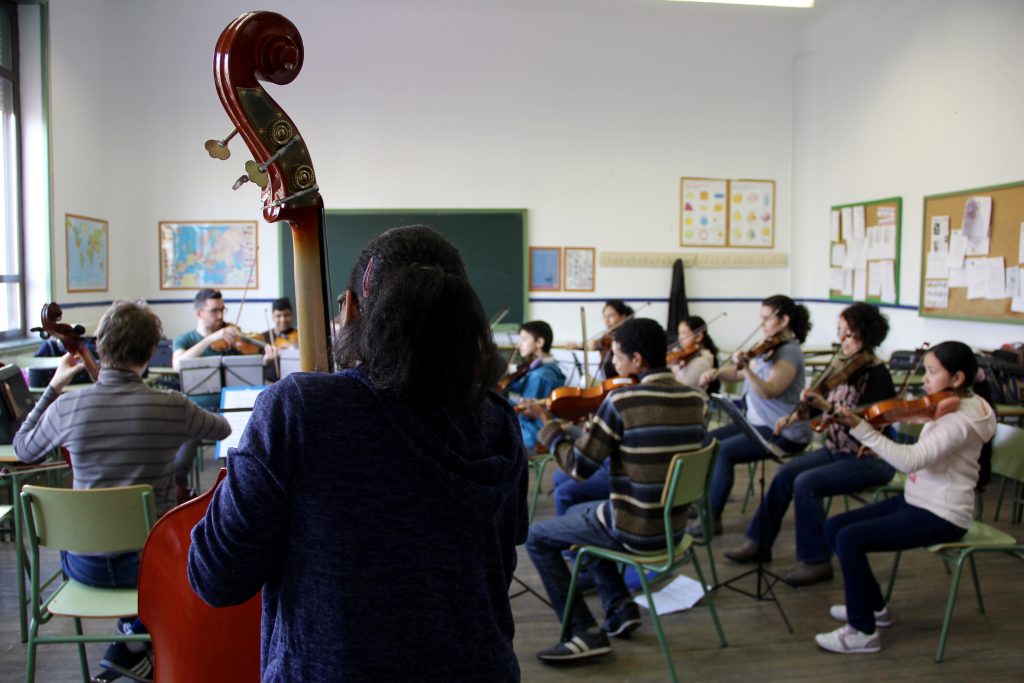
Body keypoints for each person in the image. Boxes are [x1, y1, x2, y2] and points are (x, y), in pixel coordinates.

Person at [188, 226, 527, 682]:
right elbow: (497, 569)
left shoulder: (298, 409)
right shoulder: (497, 419)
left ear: (349, 309)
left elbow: (216, 577)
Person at [13, 300, 231, 682]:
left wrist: (53, 387)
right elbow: (222, 430)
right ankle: (135, 641)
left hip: (82, 566)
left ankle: (130, 643)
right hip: (151, 569)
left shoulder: (67, 408)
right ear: (150, 352)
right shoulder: (172, 406)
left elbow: (23, 448)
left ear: (100, 348)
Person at [523, 318, 707, 663]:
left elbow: (579, 469)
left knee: (537, 537)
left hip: (635, 528)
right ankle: (621, 608)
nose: (613, 365)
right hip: (674, 529)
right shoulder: (695, 400)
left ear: (638, 360)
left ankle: (583, 632)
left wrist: (548, 428)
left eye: (618, 357)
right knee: (582, 517)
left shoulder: (623, 400)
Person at [816, 341, 995, 654]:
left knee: (849, 539)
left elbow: (912, 460)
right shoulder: (954, 404)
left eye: (932, 372)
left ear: (958, 378)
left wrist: (864, 430)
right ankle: (873, 608)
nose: (924, 379)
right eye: (925, 371)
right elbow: (922, 455)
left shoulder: (959, 421)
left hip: (942, 515)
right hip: (918, 500)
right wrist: (881, 446)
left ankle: (862, 632)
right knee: (835, 528)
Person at [721, 303, 896, 586]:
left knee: (807, 483)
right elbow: (817, 407)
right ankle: (758, 542)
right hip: (837, 451)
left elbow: (862, 422)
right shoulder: (843, 366)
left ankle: (816, 561)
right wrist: (791, 417)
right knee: (786, 474)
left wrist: (826, 404)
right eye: (840, 333)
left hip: (869, 459)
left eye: (848, 335)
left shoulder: (877, 376)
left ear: (865, 335)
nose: (842, 340)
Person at [691, 294, 813, 537]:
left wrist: (745, 367)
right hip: (755, 423)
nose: (762, 324)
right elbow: (740, 375)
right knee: (707, 441)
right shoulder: (769, 346)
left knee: (723, 452)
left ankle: (712, 517)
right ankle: (702, 504)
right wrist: (717, 373)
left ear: (784, 320)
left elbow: (769, 391)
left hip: (782, 430)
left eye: (766, 318)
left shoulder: (787, 354)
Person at [171, 289, 276, 491]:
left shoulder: (232, 340)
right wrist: (210, 339)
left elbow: (249, 377)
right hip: (195, 410)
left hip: (230, 409)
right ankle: (182, 503)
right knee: (179, 464)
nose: (221, 316)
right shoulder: (185, 340)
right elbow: (178, 364)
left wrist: (263, 363)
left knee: (245, 456)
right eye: (214, 311)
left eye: (222, 310)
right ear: (199, 313)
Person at [504, 320, 566, 451]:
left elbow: (525, 409)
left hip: (531, 431)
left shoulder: (540, 375)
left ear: (539, 343)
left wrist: (505, 394)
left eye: (524, 340)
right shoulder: (547, 366)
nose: (519, 345)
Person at [566, 299, 634, 379]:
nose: (606, 321)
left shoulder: (629, 338)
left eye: (611, 316)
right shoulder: (605, 339)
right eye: (605, 317)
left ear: (623, 317)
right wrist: (578, 348)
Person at [669, 315, 720, 389]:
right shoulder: (683, 357)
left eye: (684, 333)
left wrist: (674, 370)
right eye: (679, 333)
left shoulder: (702, 361)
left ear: (698, 336)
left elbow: (683, 388)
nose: (680, 338)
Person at [260, 296, 298, 382]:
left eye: (286, 315)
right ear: (273, 317)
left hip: (294, 382)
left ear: (292, 315)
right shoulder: (263, 337)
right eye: (278, 316)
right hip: (269, 384)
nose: (283, 319)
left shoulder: (299, 336)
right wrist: (264, 362)